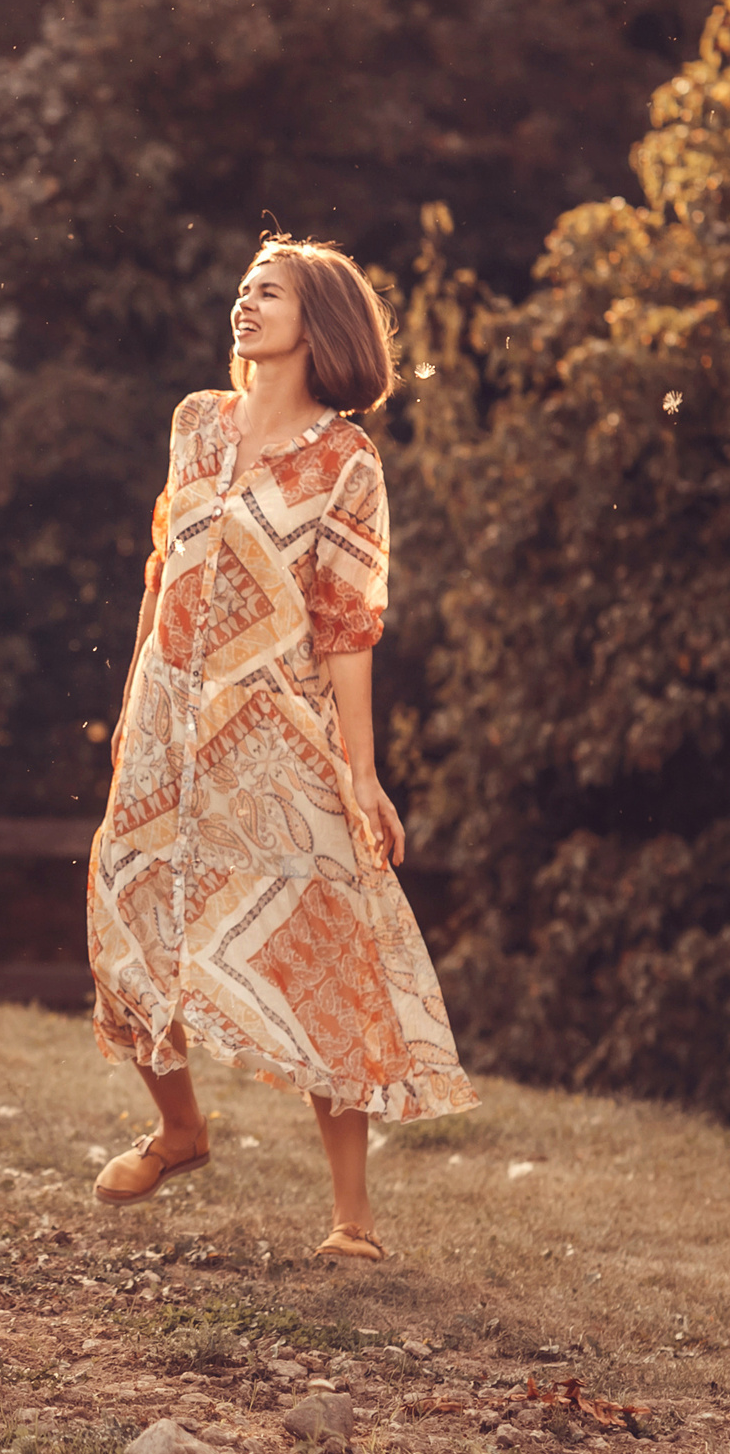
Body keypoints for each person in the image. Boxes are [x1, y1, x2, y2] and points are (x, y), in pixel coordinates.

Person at [86, 235, 476, 1261]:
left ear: (321, 321)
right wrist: (131, 705)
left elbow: (348, 624)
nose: (246, 302)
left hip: (272, 734)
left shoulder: (346, 463)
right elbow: (162, 568)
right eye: (244, 287)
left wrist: (361, 771)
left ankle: (352, 1218)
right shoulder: (195, 422)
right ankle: (179, 1131)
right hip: (165, 721)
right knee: (126, 911)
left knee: (320, 943)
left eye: (271, 291)